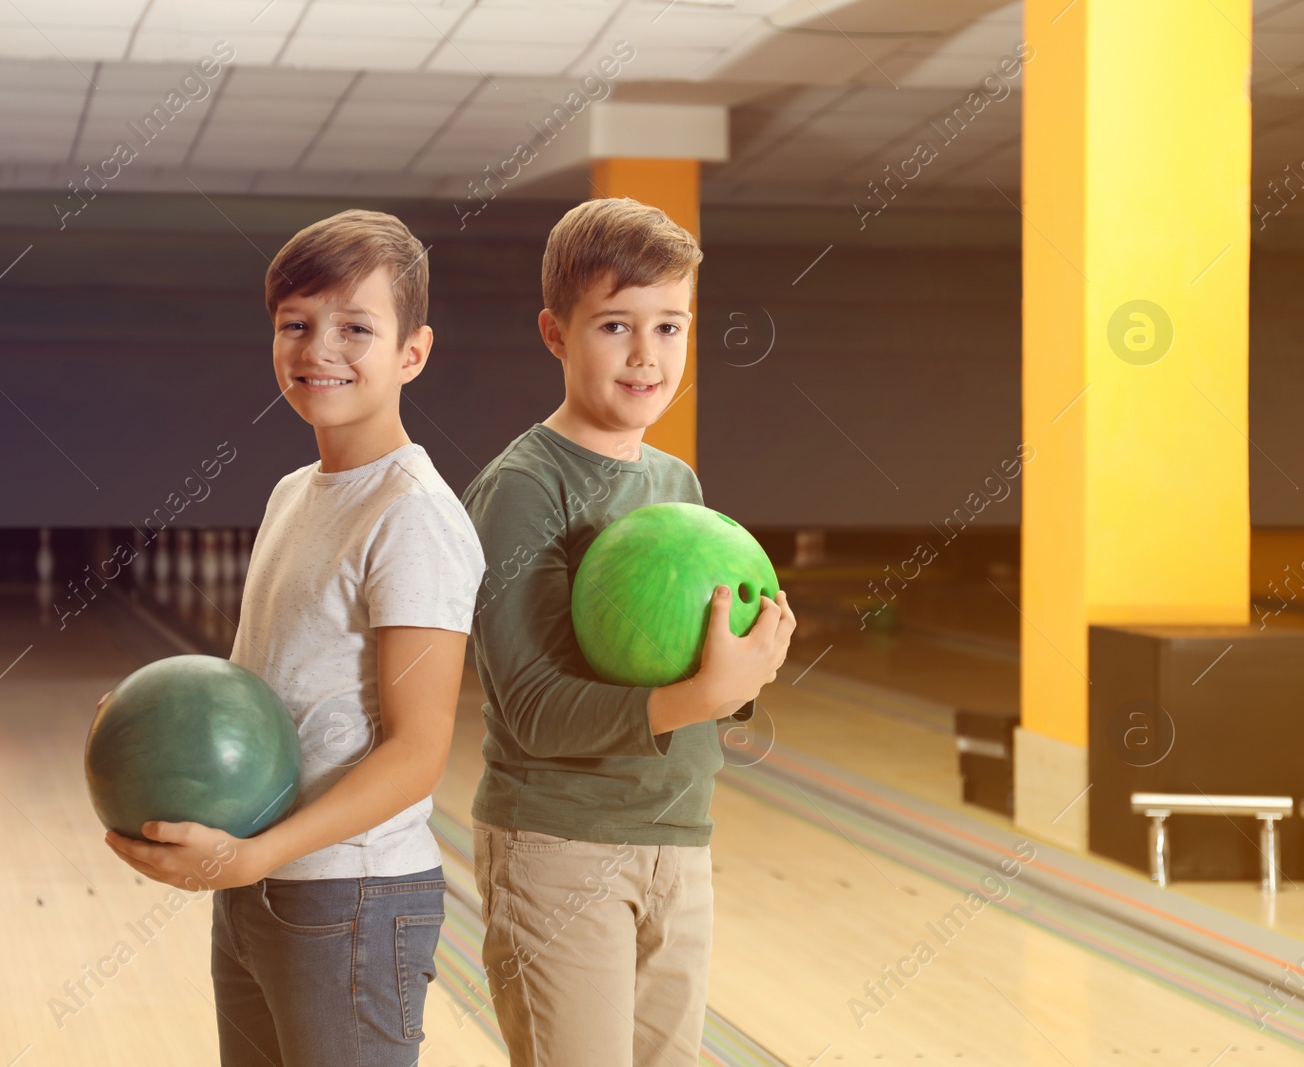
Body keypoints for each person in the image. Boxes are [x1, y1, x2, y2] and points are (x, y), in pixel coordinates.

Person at [105, 209, 485, 1066]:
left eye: (356, 327)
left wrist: (252, 856)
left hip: (354, 896)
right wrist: (153, 725)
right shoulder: (292, 492)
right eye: (296, 325)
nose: (321, 348)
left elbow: (419, 750)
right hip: (261, 885)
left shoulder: (413, 517)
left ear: (411, 353)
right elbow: (254, 699)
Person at [460, 197, 796, 1066]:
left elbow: (697, 676)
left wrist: (746, 673)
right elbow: (530, 705)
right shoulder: (524, 488)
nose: (648, 355)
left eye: (671, 326)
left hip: (680, 837)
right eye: (616, 325)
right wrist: (703, 693)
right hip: (559, 845)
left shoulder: (675, 480)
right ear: (555, 333)